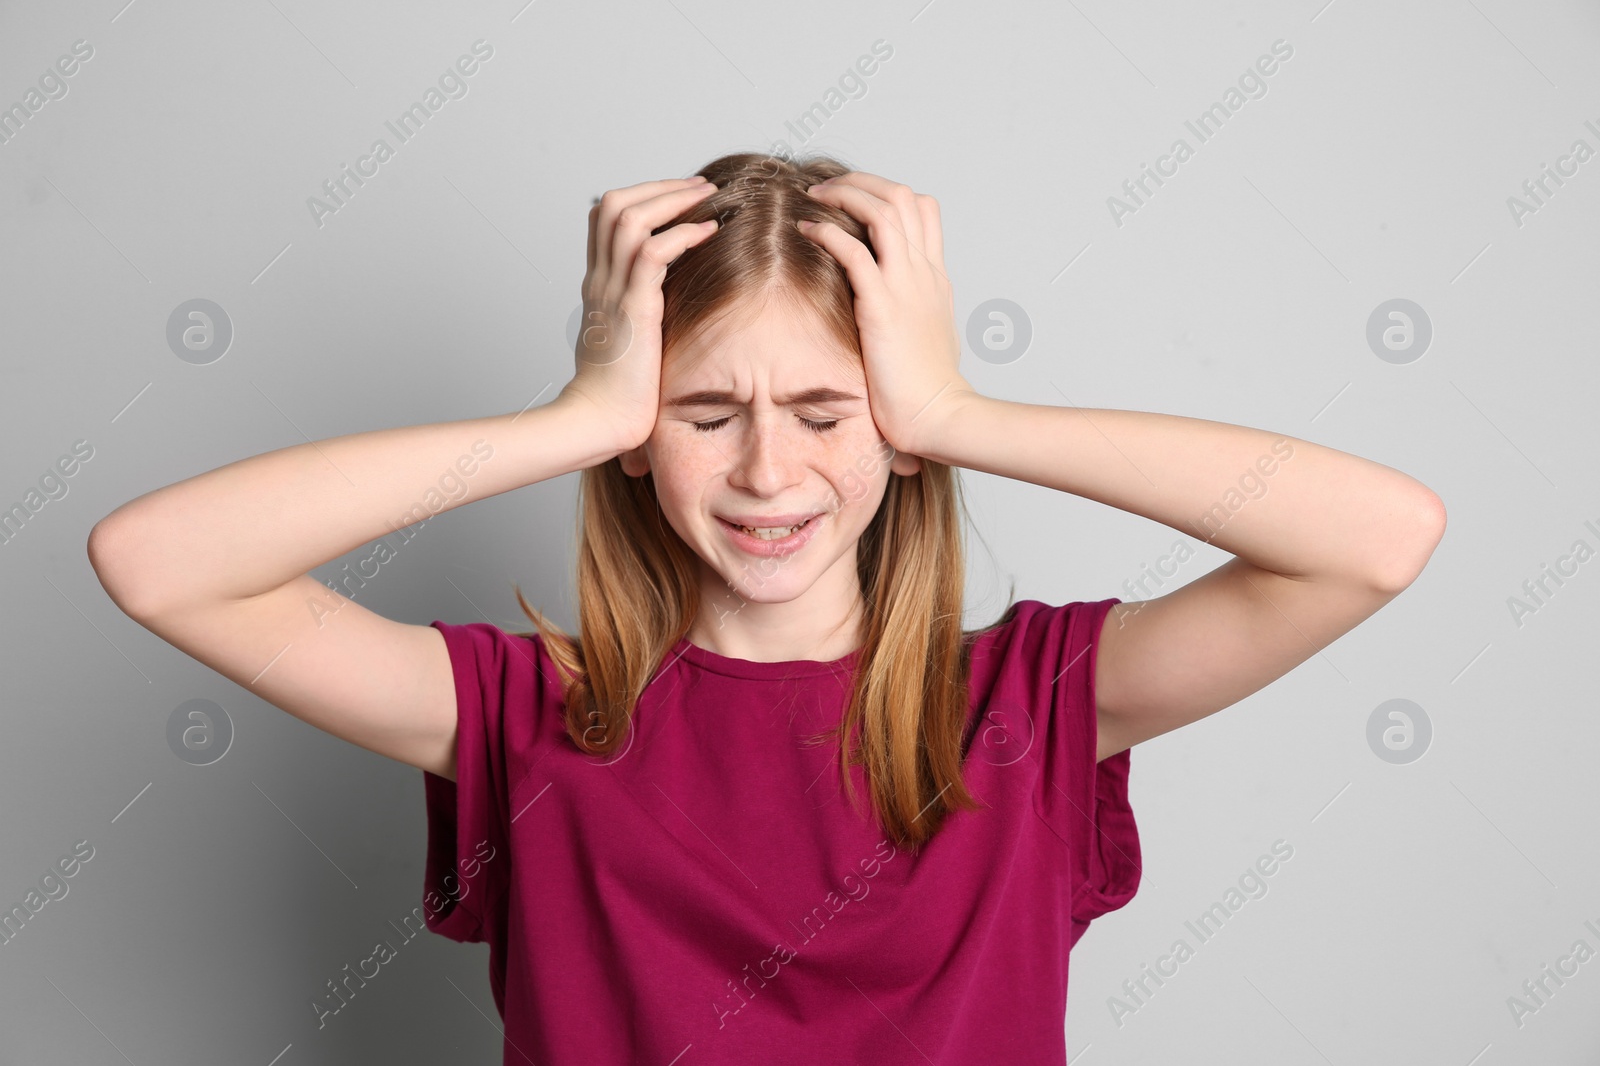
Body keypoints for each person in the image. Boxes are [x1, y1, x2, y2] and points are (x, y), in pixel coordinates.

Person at [86, 151, 1446, 1064]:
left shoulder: (1029, 705)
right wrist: (576, 416)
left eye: (824, 412)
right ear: (640, 430)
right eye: (703, 412)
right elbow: (160, 560)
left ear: (895, 429)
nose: (767, 472)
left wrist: (960, 414)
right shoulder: (525, 718)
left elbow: (1377, 541)